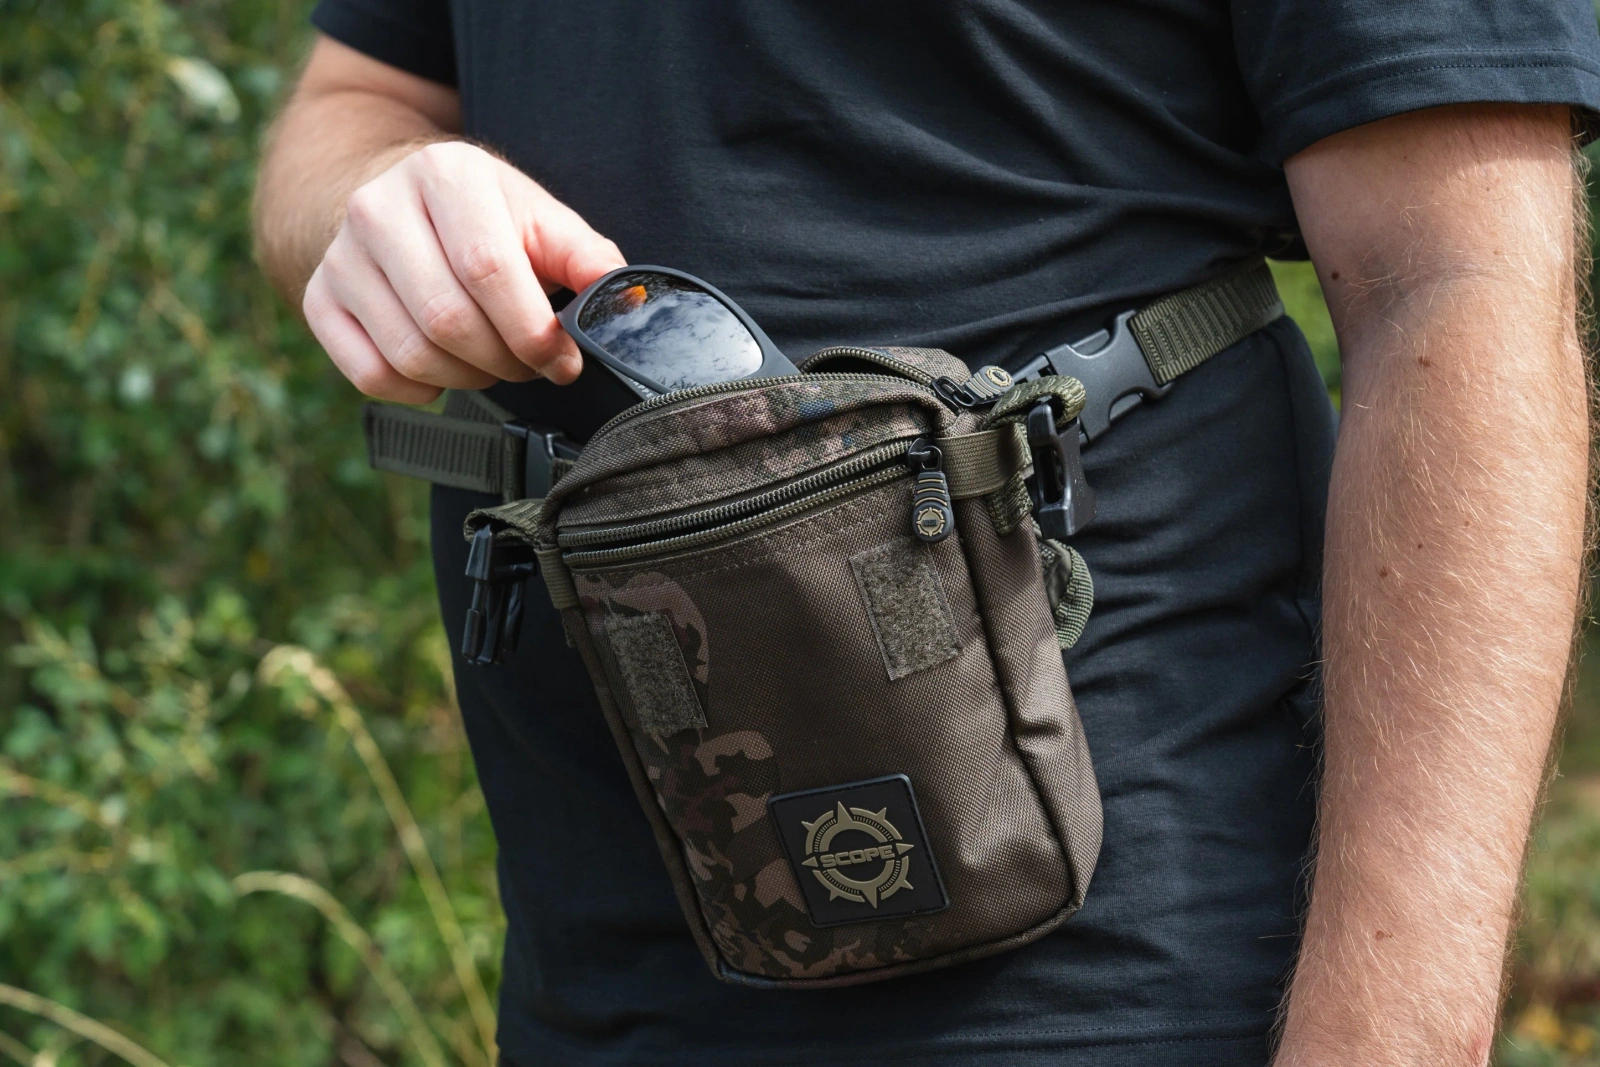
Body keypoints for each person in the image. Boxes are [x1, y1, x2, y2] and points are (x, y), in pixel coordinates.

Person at [253, 3, 1597, 1063]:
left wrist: (1392, 1039)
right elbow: (350, 102)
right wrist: (384, 189)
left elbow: (1461, 283)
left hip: (1127, 971)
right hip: (596, 967)